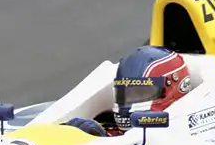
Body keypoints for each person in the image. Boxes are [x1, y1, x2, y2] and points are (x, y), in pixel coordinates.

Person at [65, 45, 194, 137]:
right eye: (125, 93)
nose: (129, 102)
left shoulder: (187, 131)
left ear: (174, 87)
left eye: (140, 93)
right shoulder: (112, 128)